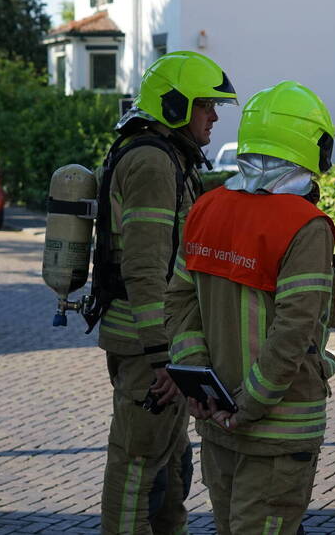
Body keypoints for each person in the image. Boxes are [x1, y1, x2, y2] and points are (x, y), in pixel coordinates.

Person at [164, 80, 335, 535]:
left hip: (216, 417)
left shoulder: (207, 208)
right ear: (310, 143)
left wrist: (200, 384)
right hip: (278, 428)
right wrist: (251, 404)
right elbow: (295, 330)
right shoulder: (305, 224)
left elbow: (179, 304)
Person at [98, 50, 238, 535]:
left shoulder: (166, 156)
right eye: (206, 106)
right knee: (137, 468)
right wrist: (163, 359)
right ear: (176, 106)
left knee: (169, 469)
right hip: (148, 349)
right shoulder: (154, 164)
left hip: (155, 344)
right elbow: (144, 266)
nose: (215, 116)